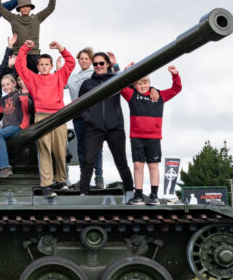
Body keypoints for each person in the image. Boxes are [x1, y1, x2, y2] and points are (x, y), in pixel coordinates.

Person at [16, 39, 74, 197]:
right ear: (38, 66)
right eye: (41, 64)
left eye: (47, 64)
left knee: (60, 150)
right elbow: (19, 65)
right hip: (42, 116)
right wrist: (25, 47)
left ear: (51, 66)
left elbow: (70, 63)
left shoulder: (59, 76)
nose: (44, 67)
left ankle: (61, 181)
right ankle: (47, 185)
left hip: (59, 116)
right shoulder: (33, 78)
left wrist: (61, 48)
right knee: (45, 151)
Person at [121, 65, 182, 205]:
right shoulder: (131, 95)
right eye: (138, 84)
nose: (142, 86)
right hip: (136, 136)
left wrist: (175, 75)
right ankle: (138, 195)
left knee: (153, 165)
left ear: (149, 83)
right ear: (134, 85)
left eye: (145, 83)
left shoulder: (159, 95)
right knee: (137, 165)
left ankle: (154, 195)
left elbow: (176, 89)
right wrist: (126, 71)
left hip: (153, 138)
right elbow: (121, 85)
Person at [76, 52, 135, 196]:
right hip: (94, 127)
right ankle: (84, 192)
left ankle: (130, 191)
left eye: (101, 63)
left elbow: (133, 90)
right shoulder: (87, 83)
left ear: (107, 64)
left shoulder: (116, 79)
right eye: (95, 64)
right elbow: (79, 104)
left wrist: (117, 67)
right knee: (88, 162)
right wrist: (88, 118)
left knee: (121, 162)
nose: (98, 66)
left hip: (115, 127)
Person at [0, 0, 56, 73]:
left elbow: (50, 8)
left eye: (27, 6)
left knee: (33, 84)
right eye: (22, 7)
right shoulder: (13, 18)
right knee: (17, 81)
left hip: (34, 55)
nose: (24, 8)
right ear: (19, 9)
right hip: (18, 54)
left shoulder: (37, 18)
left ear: (30, 8)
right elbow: (0, 8)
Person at [0, 74, 32, 178]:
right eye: (3, 85)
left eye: (8, 84)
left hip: (18, 126)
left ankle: (5, 167)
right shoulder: (3, 99)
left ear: (14, 84)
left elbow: (28, 109)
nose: (6, 87)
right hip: (7, 128)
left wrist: (24, 95)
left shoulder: (19, 95)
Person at [67, 47, 104, 189]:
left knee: (96, 147)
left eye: (86, 59)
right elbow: (59, 83)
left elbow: (112, 77)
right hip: (78, 115)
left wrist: (115, 65)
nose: (83, 61)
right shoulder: (73, 78)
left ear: (91, 61)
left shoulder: (96, 74)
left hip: (94, 114)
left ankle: (99, 178)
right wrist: (59, 69)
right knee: (81, 148)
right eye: (81, 58)